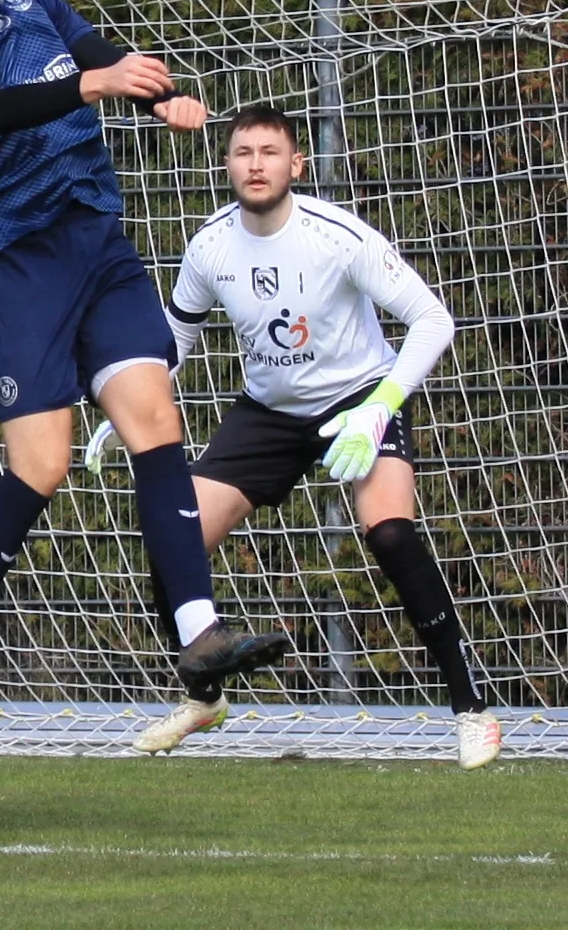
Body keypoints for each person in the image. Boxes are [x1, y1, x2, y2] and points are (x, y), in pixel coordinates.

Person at [0, 0, 290, 752]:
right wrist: (91, 83)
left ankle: (196, 633)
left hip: (97, 239)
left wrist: (158, 98)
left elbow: (111, 63)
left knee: (155, 421)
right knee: (41, 466)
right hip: (15, 258)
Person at [87, 105, 501, 769]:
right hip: (268, 413)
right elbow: (175, 337)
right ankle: (204, 694)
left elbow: (432, 319)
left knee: (390, 531)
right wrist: (130, 398)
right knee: (173, 536)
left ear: (295, 165)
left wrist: (381, 406)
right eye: (243, 152)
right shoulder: (210, 245)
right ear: (227, 165)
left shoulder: (337, 237)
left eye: (270, 152)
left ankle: (471, 709)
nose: (256, 164)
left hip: (361, 397)